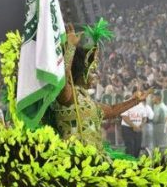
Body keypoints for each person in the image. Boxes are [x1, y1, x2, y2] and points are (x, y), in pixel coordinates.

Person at [52, 25, 150, 153]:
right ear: (82, 72)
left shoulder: (84, 98)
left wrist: (135, 100)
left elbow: (112, 110)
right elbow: (62, 79)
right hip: (73, 162)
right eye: (92, 72)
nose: (95, 77)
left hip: (95, 160)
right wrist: (70, 48)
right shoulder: (68, 96)